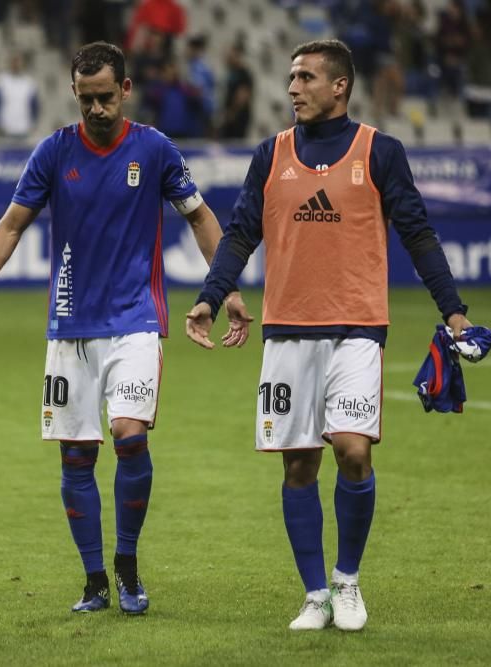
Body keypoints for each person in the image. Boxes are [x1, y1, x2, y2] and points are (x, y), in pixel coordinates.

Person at [0, 41, 250, 615]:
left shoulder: (155, 150)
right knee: (75, 457)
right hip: (69, 326)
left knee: (130, 435)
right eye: (86, 98)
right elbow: (11, 225)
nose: (96, 109)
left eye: (106, 97)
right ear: (74, 93)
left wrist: (228, 288)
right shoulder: (52, 152)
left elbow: (202, 217)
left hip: (136, 319)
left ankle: (128, 567)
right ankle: (93, 581)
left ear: (126, 91)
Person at [185, 39, 473, 632]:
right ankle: (314, 594)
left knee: (352, 448)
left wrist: (454, 312)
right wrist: (210, 299)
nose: (293, 87)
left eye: (305, 77)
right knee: (297, 468)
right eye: (291, 77)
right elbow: (240, 234)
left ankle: (347, 581)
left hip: (357, 329)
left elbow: (418, 234)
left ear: (339, 86)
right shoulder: (271, 154)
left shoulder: (381, 152)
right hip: (287, 332)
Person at [0, 52, 39, 140]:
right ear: (9, 63)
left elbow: (35, 106)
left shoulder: (29, 83)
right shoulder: (1, 81)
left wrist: (33, 123)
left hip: (24, 128)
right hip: (6, 129)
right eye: (14, 62)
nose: (16, 64)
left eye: (18, 62)